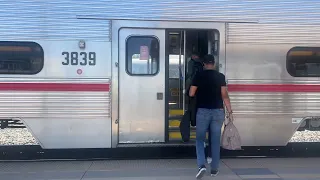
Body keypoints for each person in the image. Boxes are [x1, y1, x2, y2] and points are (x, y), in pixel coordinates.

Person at [189, 54, 233, 179]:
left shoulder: (199, 75)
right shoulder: (220, 77)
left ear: (204, 64)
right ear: (213, 64)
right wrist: (230, 111)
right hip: (218, 112)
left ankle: (201, 165)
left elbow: (192, 93)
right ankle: (214, 170)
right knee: (214, 140)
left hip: (203, 111)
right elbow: (224, 95)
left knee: (200, 139)